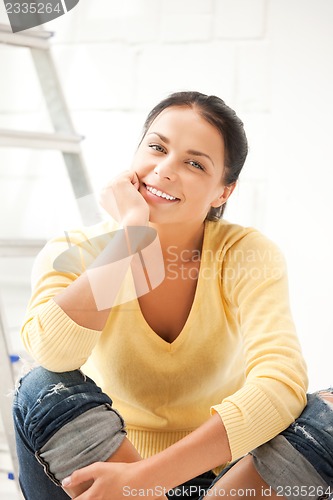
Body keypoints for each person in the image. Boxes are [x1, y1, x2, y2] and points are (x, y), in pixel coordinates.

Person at [13, 91, 332, 500]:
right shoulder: (72, 249)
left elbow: (281, 382)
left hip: (220, 483)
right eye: (157, 147)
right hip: (107, 476)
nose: (164, 170)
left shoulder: (246, 253)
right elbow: (55, 355)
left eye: (194, 163)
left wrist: (143, 479)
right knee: (43, 387)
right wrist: (131, 234)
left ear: (223, 192)